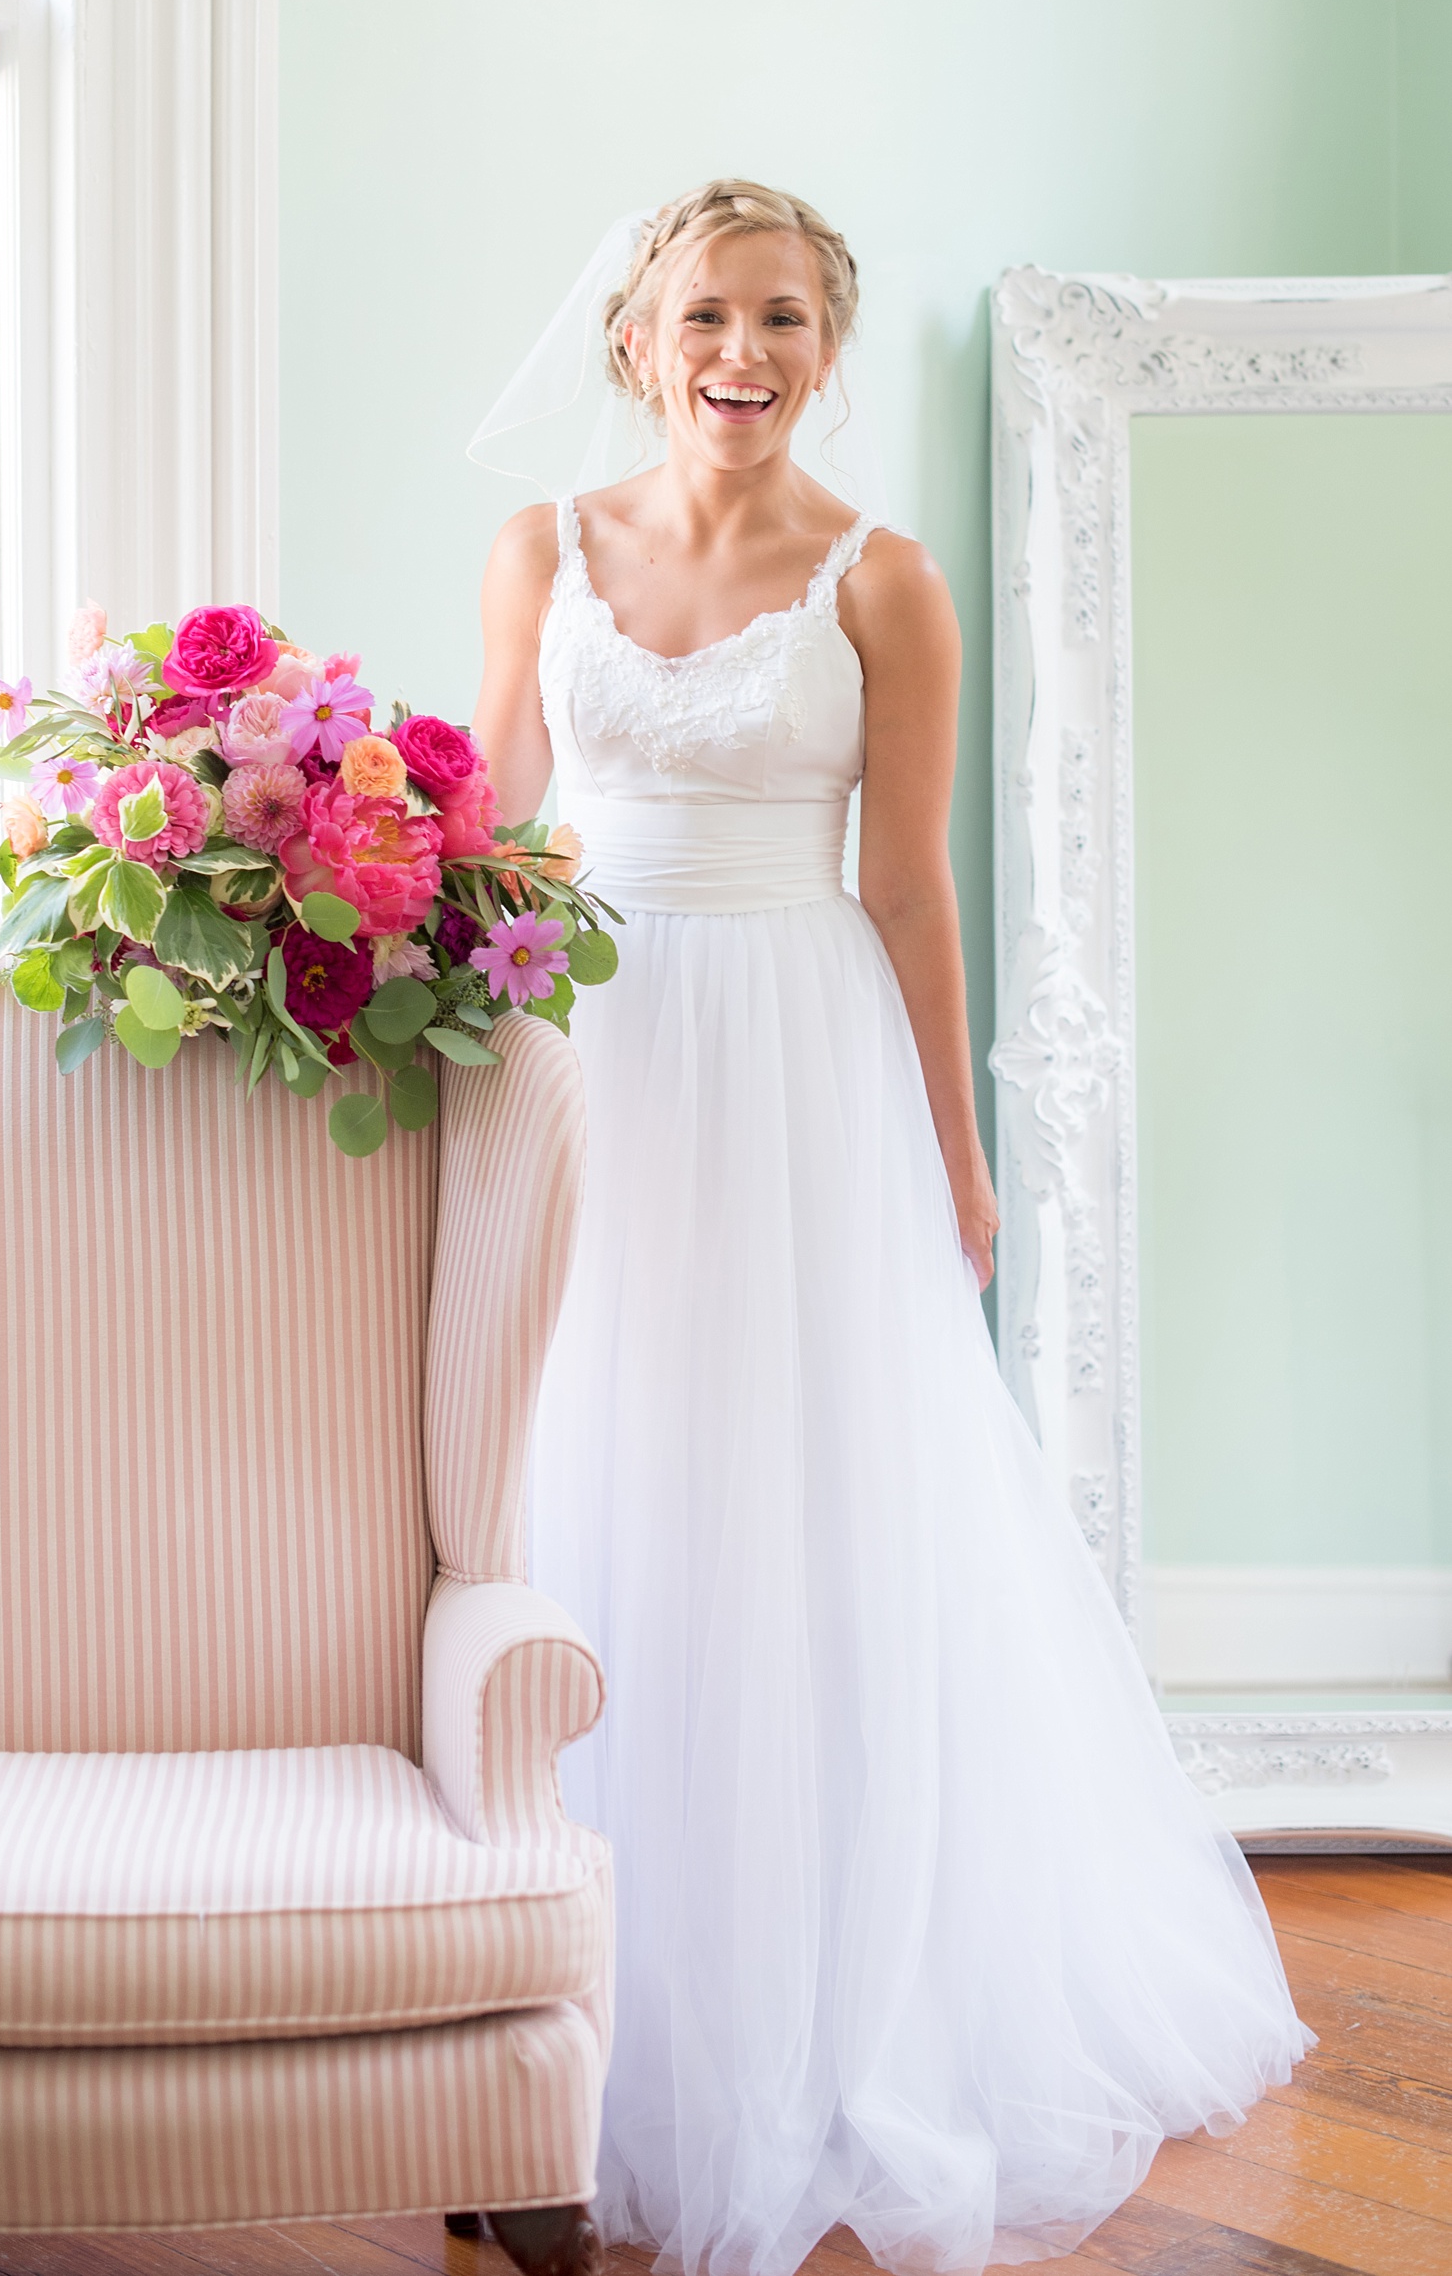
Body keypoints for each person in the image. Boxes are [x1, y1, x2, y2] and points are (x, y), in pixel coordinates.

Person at [469, 181, 1307, 2276]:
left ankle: (816, 1990)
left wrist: (954, 1150)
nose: (735, 353)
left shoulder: (883, 583)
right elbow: (487, 828)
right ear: (633, 338)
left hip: (799, 1074)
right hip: (590, 1058)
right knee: (592, 1475)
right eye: (699, 317)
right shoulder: (535, 551)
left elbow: (909, 889)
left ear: (824, 350)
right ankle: (548, 2007)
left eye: (777, 320)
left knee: (797, 1498)